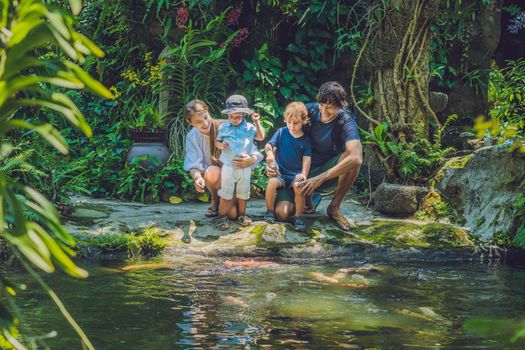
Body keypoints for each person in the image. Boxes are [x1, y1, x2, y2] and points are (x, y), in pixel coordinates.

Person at [267, 81, 363, 231]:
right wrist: (272, 164)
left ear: (340, 106)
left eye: (330, 108)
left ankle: (334, 207)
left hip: (325, 171)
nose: (324, 111)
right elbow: (285, 135)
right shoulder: (309, 111)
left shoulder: (346, 121)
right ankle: (309, 199)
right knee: (282, 213)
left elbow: (357, 157)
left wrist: (320, 178)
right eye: (322, 105)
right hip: (294, 173)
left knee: (351, 160)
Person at [183, 99, 263, 219]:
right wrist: (198, 177)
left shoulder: (227, 126)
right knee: (211, 171)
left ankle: (231, 203)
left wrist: (251, 159)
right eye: (198, 122)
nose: (205, 124)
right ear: (190, 122)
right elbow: (193, 164)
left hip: (235, 175)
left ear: (208, 112)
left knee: (233, 214)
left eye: (206, 117)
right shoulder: (192, 136)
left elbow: (251, 148)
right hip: (218, 177)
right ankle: (215, 200)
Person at [215, 95, 265, 230]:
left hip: (245, 165)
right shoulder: (224, 127)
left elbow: (261, 137)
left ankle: (242, 215)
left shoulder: (249, 127)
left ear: (243, 114)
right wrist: (220, 146)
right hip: (229, 165)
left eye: (237, 117)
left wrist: (257, 122)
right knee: (226, 192)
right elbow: (217, 142)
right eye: (231, 116)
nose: (234, 119)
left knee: (244, 191)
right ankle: (221, 217)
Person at [264, 102, 312, 232]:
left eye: (295, 123)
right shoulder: (281, 132)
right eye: (289, 122)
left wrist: (303, 174)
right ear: (285, 119)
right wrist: (270, 154)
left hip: (294, 175)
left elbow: (307, 159)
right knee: (272, 182)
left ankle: (299, 217)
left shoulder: (306, 140)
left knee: (299, 186)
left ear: (304, 121)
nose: (291, 126)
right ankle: (269, 211)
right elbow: (268, 145)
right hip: (280, 175)